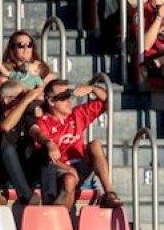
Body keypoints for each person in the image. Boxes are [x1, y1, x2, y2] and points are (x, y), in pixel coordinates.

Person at [32, 79, 119, 207]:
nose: (69, 101)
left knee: (95, 144)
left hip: (81, 165)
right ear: (51, 102)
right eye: (63, 97)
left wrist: (92, 89)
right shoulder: (43, 122)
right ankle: (62, 218)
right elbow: (44, 154)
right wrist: (69, 169)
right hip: (60, 168)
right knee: (69, 180)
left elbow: (108, 102)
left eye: (69, 95)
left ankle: (109, 193)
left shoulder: (77, 114)